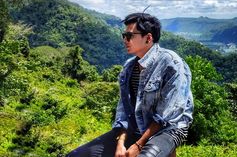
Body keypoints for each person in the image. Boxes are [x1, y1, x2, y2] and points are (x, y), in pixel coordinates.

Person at [67, 12, 194, 157]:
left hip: (169, 129)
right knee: (77, 155)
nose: (125, 40)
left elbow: (166, 116)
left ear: (148, 38)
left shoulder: (172, 64)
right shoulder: (129, 68)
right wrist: (121, 144)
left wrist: (138, 145)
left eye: (130, 36)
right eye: (124, 36)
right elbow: (124, 111)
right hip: (137, 127)